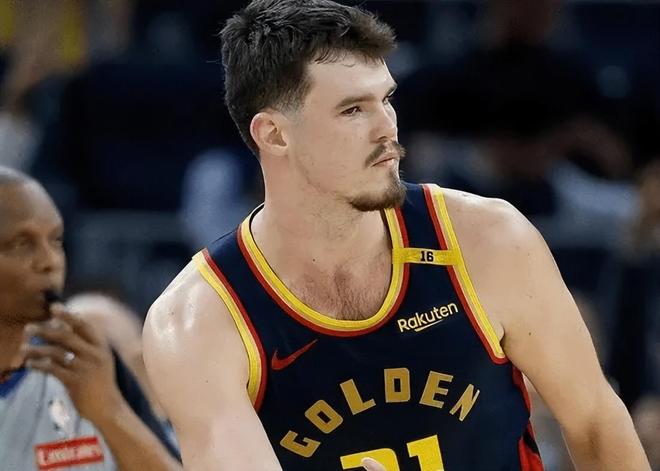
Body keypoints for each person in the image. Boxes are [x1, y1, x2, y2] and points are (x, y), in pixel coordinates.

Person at [143, 1, 650, 470]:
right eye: (353, 109)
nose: (387, 127)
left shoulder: (488, 238)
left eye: (386, 98)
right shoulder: (199, 321)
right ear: (274, 134)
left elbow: (595, 421)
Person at [0, 166, 181, 470]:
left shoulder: (94, 364)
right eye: (22, 244)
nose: (49, 261)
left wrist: (109, 411)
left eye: (55, 241)